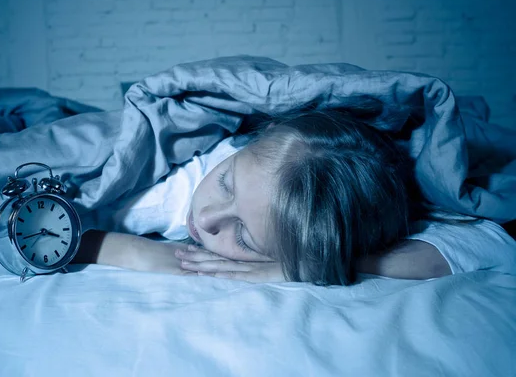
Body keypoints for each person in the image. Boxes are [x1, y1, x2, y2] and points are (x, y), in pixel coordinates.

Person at [74, 109, 516, 286]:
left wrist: (309, 264)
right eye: (226, 183)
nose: (207, 218)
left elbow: (490, 242)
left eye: (244, 238)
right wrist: (127, 247)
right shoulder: (171, 192)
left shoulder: (329, 206)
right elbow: (46, 225)